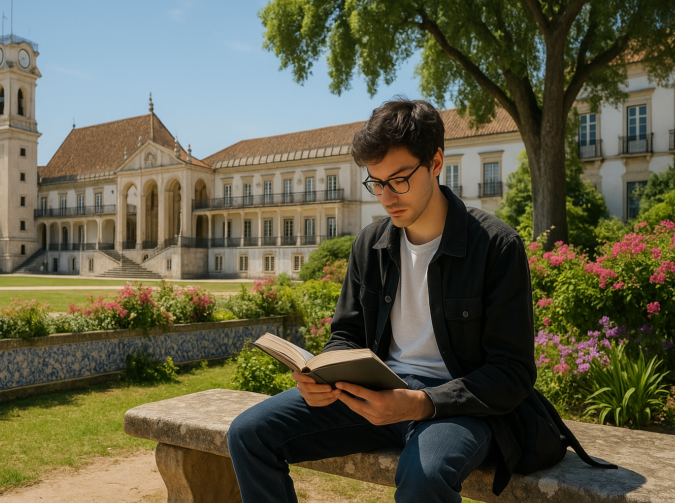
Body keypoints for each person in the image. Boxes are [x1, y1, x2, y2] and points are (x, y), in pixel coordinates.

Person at [227, 98, 611, 503]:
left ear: (436, 162)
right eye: (376, 183)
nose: (387, 197)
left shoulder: (496, 246)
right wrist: (321, 376)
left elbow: (512, 373)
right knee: (248, 434)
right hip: (373, 392)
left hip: (455, 405)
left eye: (399, 179)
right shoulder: (369, 244)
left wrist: (420, 403)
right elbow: (346, 333)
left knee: (425, 477)